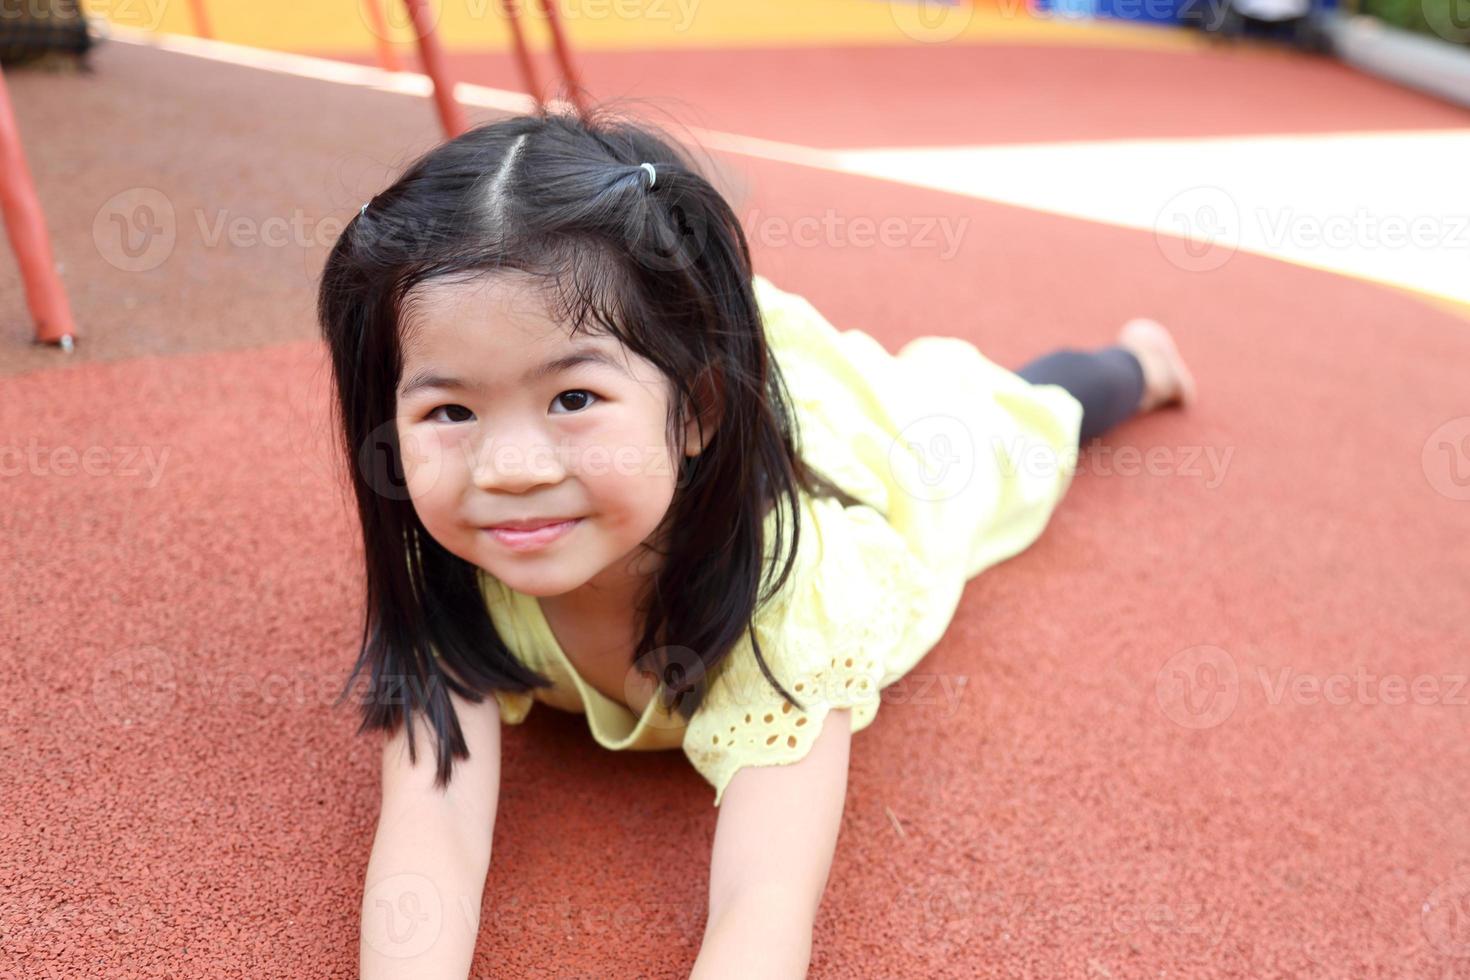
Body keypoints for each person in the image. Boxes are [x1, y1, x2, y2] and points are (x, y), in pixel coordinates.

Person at [317, 103, 1196, 979]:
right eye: (450, 411)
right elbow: (431, 837)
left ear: (695, 411)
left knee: (1008, 421)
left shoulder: (796, 594)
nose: (508, 468)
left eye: (573, 400)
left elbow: (764, 905)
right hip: (699, 396)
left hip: (871, 460)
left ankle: (1138, 363)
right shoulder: (442, 562)